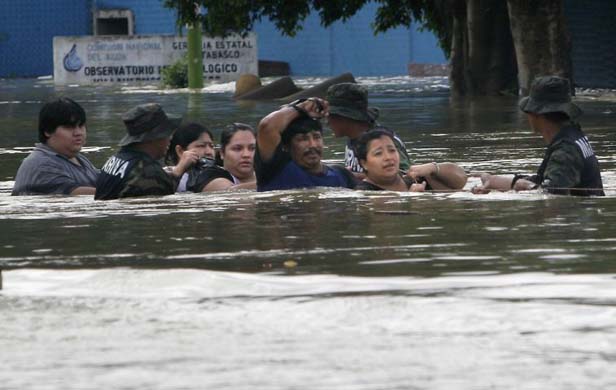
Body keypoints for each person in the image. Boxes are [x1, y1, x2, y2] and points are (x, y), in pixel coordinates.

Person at [472, 75, 604, 196]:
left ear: (537, 114)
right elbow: (546, 182)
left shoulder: (565, 151)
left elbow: (550, 198)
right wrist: (493, 180)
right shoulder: (573, 135)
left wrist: (529, 187)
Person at [95, 103, 197, 200]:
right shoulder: (149, 171)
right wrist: (179, 171)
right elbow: (158, 201)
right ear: (154, 137)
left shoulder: (118, 157)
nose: (170, 138)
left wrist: (178, 171)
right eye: (166, 133)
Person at [255, 97, 356, 191]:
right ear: (286, 146)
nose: (312, 145)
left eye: (316, 137)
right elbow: (267, 126)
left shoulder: (342, 175)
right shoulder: (275, 171)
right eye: (302, 139)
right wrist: (302, 108)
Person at [12, 97, 99, 196]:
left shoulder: (79, 159)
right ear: (48, 131)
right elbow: (74, 194)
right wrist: (117, 193)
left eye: (81, 126)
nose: (78, 133)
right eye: (69, 127)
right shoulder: (41, 163)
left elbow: (103, 182)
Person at [326, 82, 411, 175]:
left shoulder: (384, 140)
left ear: (345, 118)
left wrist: (359, 178)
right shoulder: (352, 138)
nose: (328, 123)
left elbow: (407, 176)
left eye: (331, 116)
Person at [355, 129, 467, 191]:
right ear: (364, 163)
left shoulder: (414, 179)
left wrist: (432, 168)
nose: (388, 157)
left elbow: (461, 181)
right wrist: (411, 199)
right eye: (378, 153)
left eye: (392, 150)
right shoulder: (365, 193)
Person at [199, 123, 257, 192]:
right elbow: (229, 192)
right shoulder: (210, 175)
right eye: (237, 149)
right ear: (222, 153)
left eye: (252, 148)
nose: (246, 154)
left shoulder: (266, 174)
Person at [165, 122, 216, 192]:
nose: (209, 152)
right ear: (180, 151)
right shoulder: (164, 174)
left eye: (211, 146)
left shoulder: (220, 173)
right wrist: (179, 170)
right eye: (201, 146)